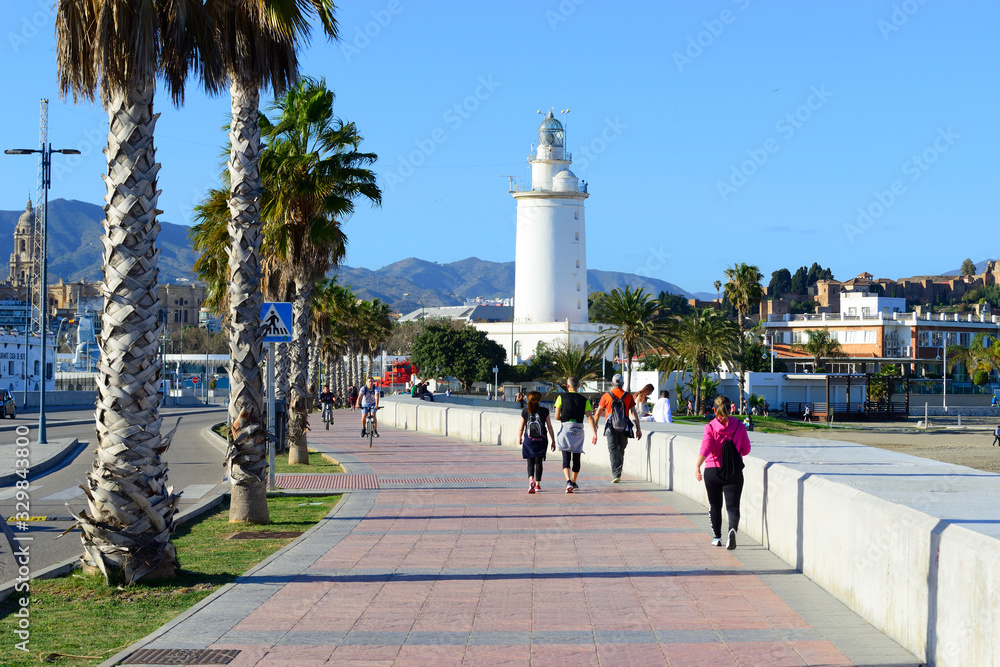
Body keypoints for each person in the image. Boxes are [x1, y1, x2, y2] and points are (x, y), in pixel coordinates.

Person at [695, 396, 751, 550]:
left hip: (712, 471)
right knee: (733, 507)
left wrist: (697, 466)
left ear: (714, 410)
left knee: (715, 505)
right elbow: (746, 450)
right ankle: (732, 530)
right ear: (730, 408)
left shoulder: (710, 427)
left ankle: (717, 538)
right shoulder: (739, 426)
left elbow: (705, 448)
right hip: (733, 471)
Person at [594, 374, 642, 483]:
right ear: (623, 384)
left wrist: (596, 424)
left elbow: (598, 412)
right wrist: (638, 428)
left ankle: (616, 474)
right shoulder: (628, 396)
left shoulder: (606, 396)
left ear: (612, 384)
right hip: (624, 426)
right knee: (621, 448)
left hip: (610, 427)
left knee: (612, 449)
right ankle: (618, 472)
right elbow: (633, 412)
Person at [554, 376, 598, 493]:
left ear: (567, 386)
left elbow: (557, 416)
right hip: (578, 431)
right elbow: (589, 417)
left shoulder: (560, 398)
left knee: (566, 457)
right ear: (578, 386)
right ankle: (573, 482)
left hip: (566, 430)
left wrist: (566, 419)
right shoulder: (585, 400)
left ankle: (568, 481)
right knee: (577, 457)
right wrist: (594, 433)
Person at [518, 390, 556, 494]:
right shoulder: (544, 411)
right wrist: (553, 440)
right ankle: (538, 485)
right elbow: (549, 427)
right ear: (539, 399)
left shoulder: (525, 411)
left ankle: (531, 480)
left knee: (530, 461)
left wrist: (519, 438)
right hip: (541, 439)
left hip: (529, 440)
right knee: (539, 461)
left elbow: (521, 428)